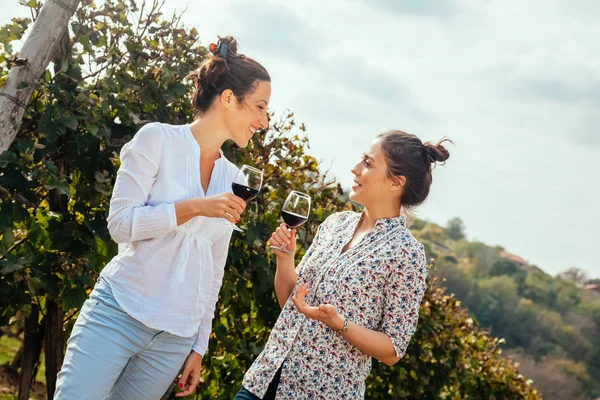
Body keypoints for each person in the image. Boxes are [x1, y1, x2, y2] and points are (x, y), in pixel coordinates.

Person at [54, 36, 271, 399]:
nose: (264, 121)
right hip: (119, 312)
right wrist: (195, 207)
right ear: (230, 98)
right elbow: (121, 225)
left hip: (173, 340)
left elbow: (213, 269)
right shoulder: (157, 139)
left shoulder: (234, 178)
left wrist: (198, 345)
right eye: (260, 107)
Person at [235, 131, 451, 399]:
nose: (355, 169)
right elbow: (292, 306)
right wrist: (285, 258)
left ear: (396, 182)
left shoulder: (406, 253)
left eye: (368, 163)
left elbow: (393, 349)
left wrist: (339, 323)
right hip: (262, 380)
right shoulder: (335, 224)